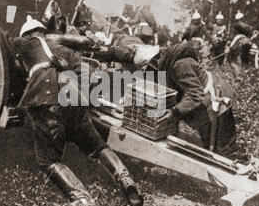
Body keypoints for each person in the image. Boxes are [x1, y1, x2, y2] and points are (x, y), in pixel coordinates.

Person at [10, 16, 143, 206]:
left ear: (27, 34)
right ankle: (126, 179)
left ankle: (83, 200)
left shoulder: (25, 43)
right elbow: (84, 67)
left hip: (47, 97)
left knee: (48, 159)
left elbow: (2, 39)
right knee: (96, 145)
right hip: (74, 94)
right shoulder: (61, 45)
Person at [97, 40, 240, 159]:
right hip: (206, 105)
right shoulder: (168, 61)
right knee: (212, 147)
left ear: (154, 62)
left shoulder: (179, 65)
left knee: (223, 150)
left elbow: (195, 94)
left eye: (149, 69)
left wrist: (174, 112)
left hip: (215, 101)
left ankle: (244, 171)